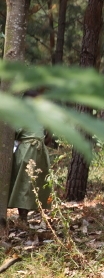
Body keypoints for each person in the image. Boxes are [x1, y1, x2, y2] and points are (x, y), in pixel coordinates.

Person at [9, 90, 51, 223]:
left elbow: (48, 136)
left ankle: (29, 214)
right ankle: (23, 217)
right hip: (27, 151)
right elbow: (14, 132)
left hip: (39, 151)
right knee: (24, 183)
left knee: (35, 183)